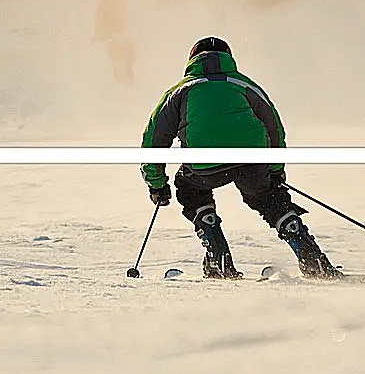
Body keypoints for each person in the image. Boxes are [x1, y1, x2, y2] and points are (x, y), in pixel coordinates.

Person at [140, 36, 344, 280]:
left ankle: (217, 255)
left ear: (192, 59)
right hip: (252, 160)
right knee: (269, 198)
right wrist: (276, 170)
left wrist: (157, 185)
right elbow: (274, 129)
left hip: (205, 166)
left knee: (189, 188)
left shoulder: (180, 91)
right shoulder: (245, 85)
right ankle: (311, 258)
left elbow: (154, 141)